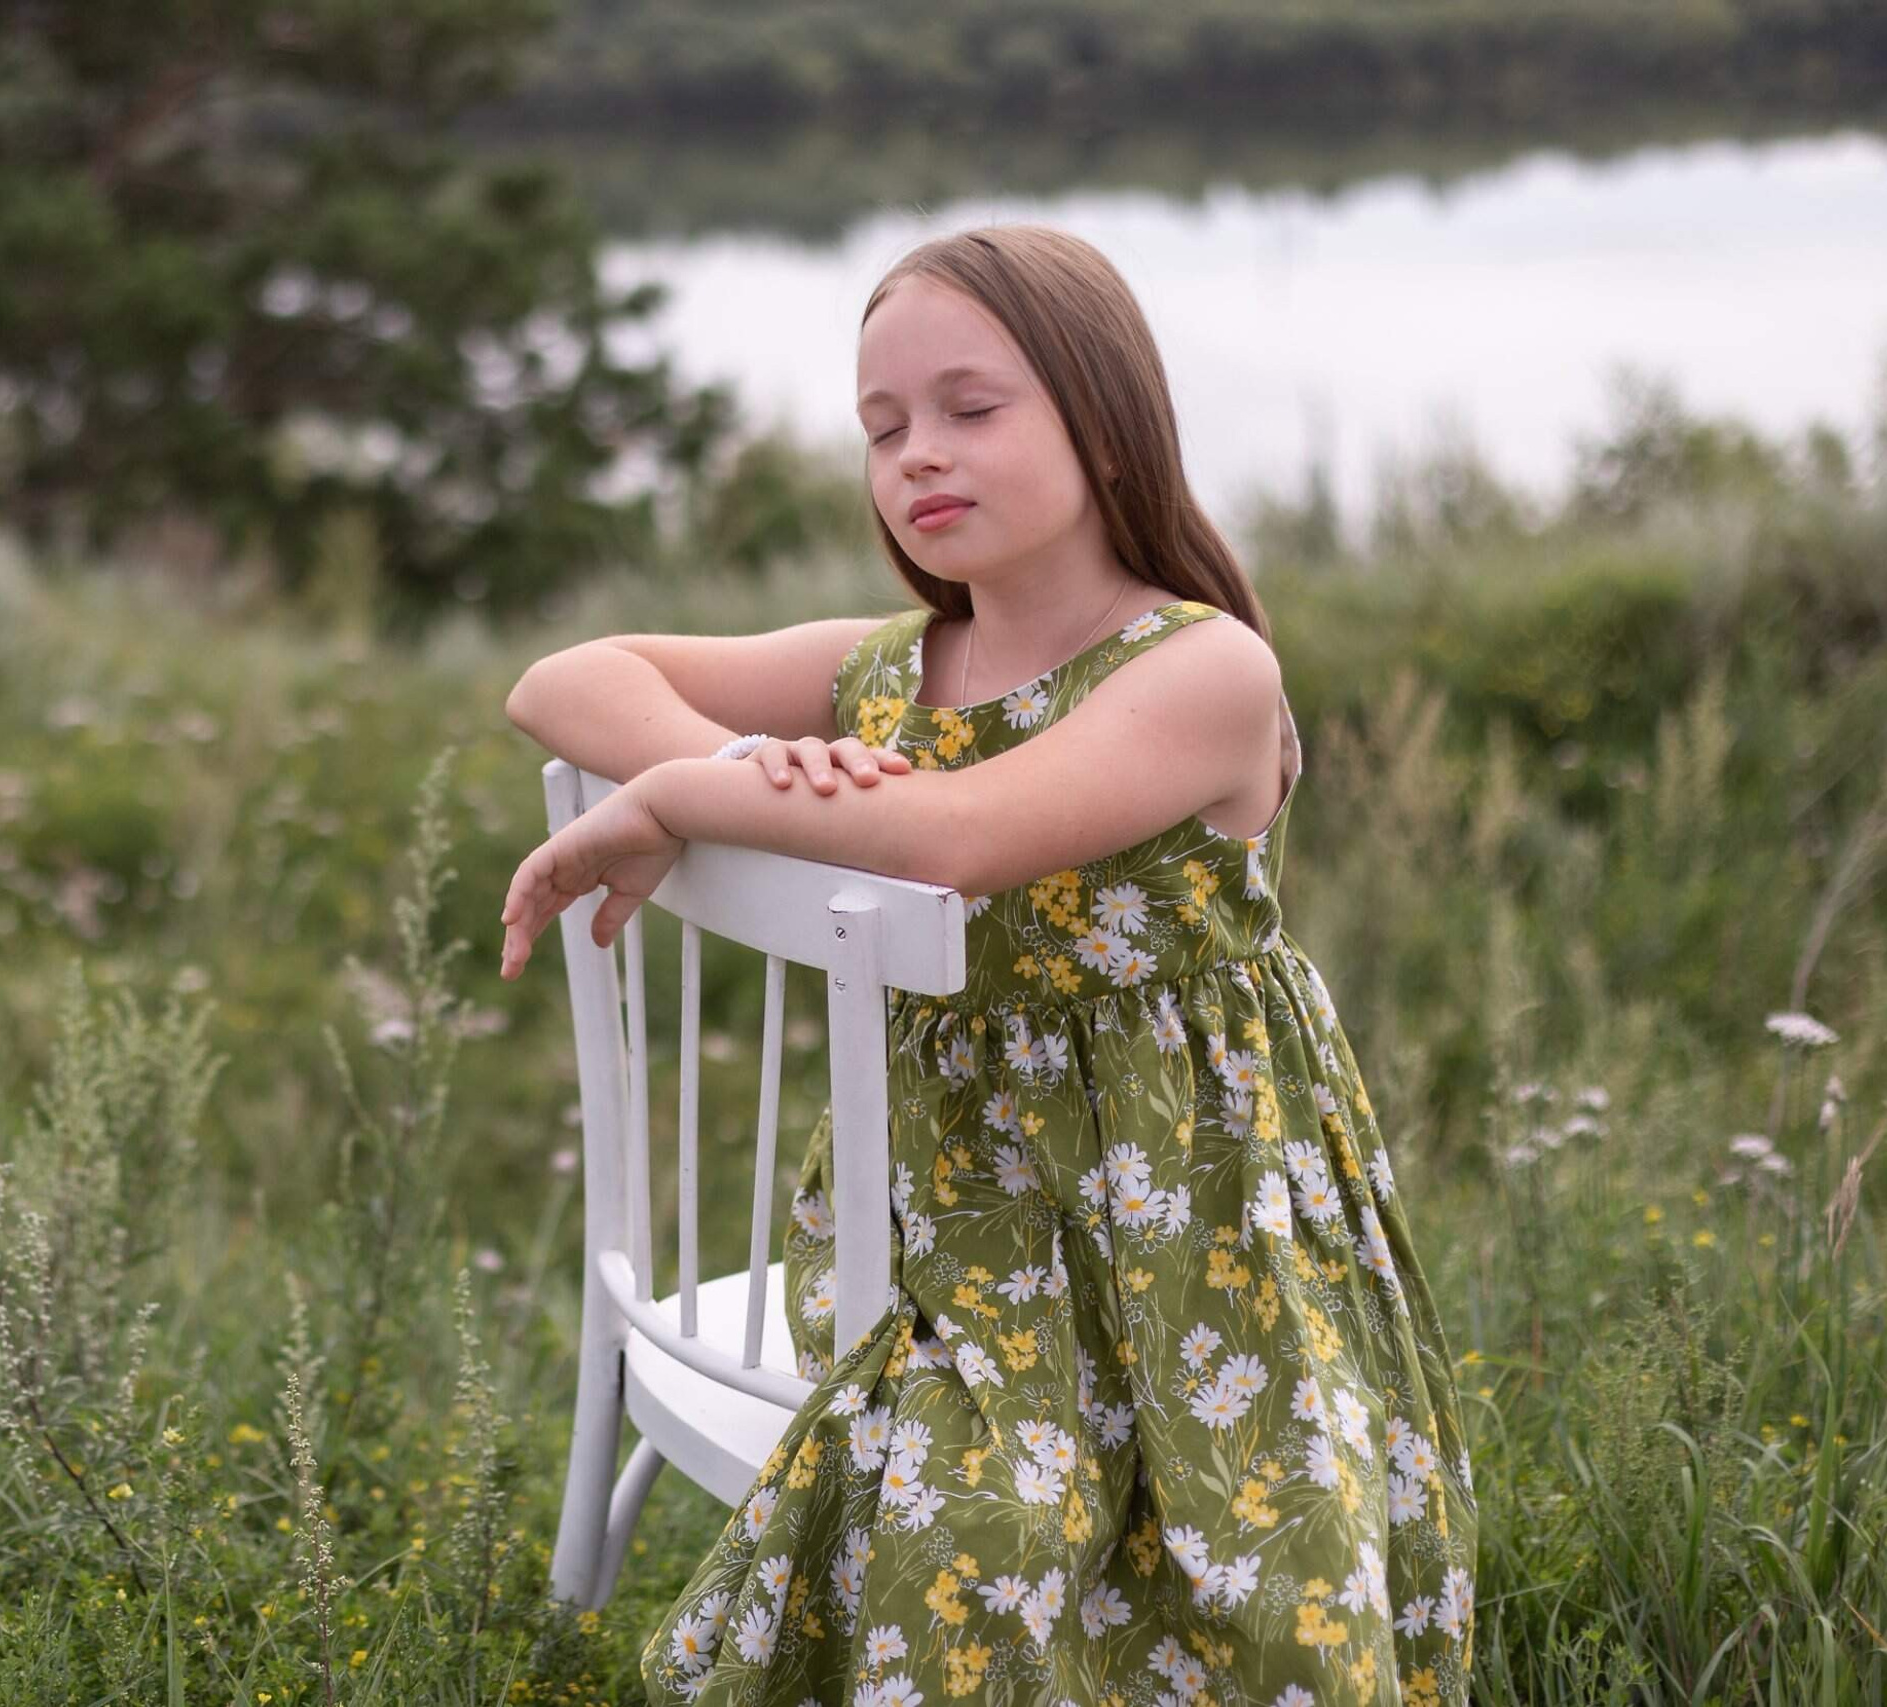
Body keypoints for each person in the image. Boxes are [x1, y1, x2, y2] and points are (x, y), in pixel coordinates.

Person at [498, 224, 1477, 1705]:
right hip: (948, 1214)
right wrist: (760, 764)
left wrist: (680, 800)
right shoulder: (891, 668)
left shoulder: (1203, 670)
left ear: (1103, 411)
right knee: (989, 1515)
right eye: (881, 428)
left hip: (1197, 1224)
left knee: (1246, 1554)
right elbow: (559, 679)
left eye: (971, 408)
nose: (916, 457)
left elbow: (951, 835)